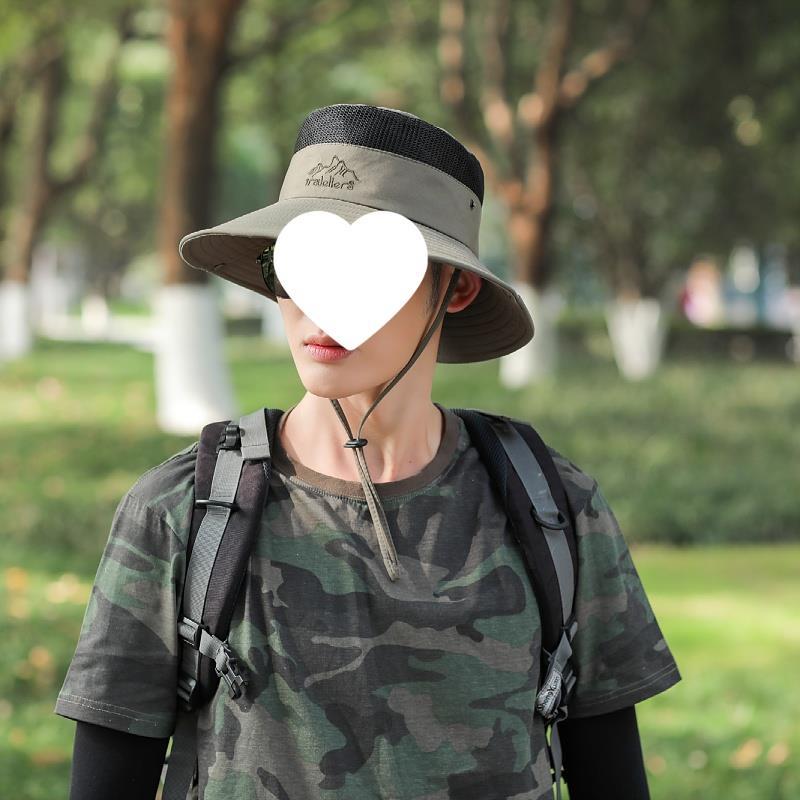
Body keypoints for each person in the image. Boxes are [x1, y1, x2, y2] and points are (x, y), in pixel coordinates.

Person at [55, 103, 681, 799]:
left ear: (456, 288)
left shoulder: (554, 509)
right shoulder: (182, 513)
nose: (320, 308)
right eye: (298, 267)